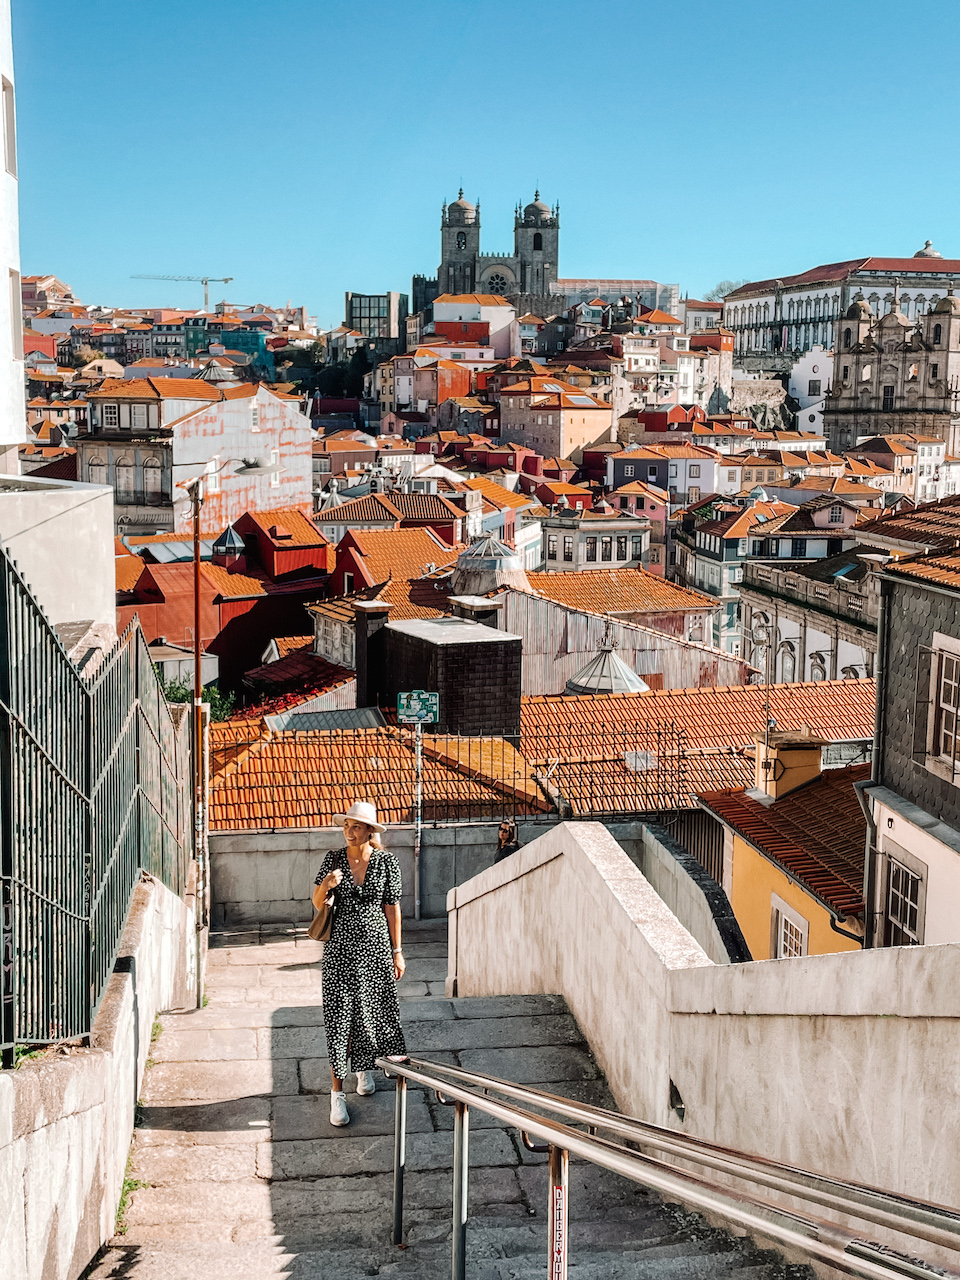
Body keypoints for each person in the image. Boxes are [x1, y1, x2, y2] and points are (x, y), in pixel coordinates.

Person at [313, 800, 407, 1127]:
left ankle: (363, 1069)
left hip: (375, 950)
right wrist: (327, 885)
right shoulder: (332, 859)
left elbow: (392, 907)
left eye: (355, 826)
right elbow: (316, 901)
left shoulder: (386, 863)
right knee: (339, 1019)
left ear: (369, 830)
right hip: (339, 951)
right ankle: (337, 1094)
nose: (349, 832)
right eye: (346, 826)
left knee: (369, 1013)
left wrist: (397, 950)